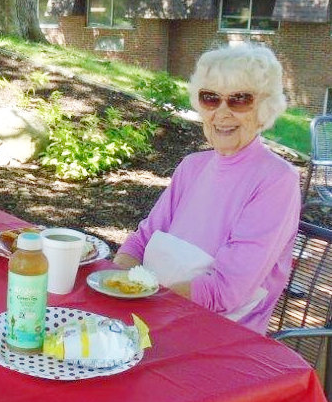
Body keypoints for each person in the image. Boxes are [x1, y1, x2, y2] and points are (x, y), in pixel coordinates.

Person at [113, 43, 300, 334]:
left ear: (263, 108)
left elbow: (227, 290)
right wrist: (115, 283)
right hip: (153, 316)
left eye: (239, 100)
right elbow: (141, 241)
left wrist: (146, 300)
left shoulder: (277, 180)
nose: (222, 113)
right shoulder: (192, 166)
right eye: (211, 98)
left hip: (217, 336)